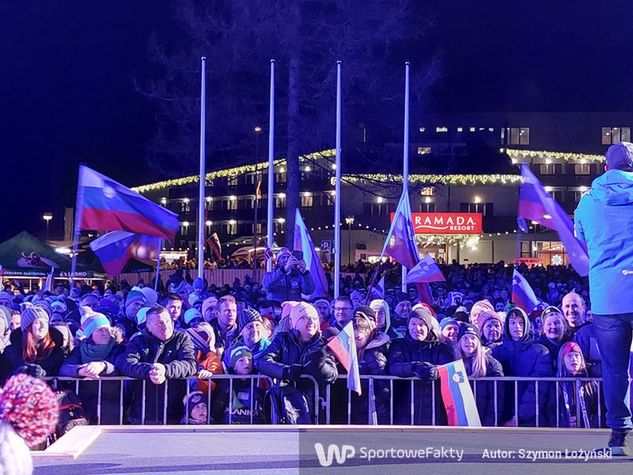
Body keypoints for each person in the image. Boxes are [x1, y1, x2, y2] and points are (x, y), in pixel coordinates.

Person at [574, 141, 633, 455]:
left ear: (605, 168)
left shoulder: (587, 202)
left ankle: (617, 437)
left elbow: (580, 241)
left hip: (608, 299)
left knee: (614, 370)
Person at [255, 302, 338, 424]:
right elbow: (261, 361)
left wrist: (320, 365)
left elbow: (332, 374)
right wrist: (285, 371)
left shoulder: (323, 345)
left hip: (315, 405)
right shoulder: (282, 340)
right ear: (294, 322)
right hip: (285, 404)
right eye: (304, 318)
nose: (311, 322)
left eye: (314, 318)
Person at [116, 304, 197, 424]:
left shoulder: (182, 339)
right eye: (159, 324)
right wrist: (150, 370)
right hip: (142, 413)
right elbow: (127, 363)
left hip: (174, 412)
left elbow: (190, 364)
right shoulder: (138, 341)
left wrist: (166, 370)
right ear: (149, 327)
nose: (165, 327)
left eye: (168, 321)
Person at [387, 306, 454, 425]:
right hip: (406, 407)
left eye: (422, 324)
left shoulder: (441, 348)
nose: (417, 328)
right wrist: (414, 368)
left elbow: (449, 368)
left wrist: (436, 371)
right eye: (413, 324)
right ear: (408, 326)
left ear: (428, 327)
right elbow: (394, 367)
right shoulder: (398, 344)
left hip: (434, 409)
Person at [59, 309, 126, 424]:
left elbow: (121, 367)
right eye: (99, 330)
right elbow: (64, 368)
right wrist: (80, 370)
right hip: (84, 401)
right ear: (90, 334)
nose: (105, 333)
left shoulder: (119, 348)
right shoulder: (80, 350)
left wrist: (103, 366)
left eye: (107, 329)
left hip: (112, 402)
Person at [492, 307, 554, 427]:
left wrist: (519, 417)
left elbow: (538, 389)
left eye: (521, 323)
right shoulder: (497, 352)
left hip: (531, 419)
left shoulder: (540, 352)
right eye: (513, 323)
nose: (517, 327)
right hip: (502, 417)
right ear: (507, 326)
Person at [0, 305, 65, 384]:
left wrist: (43, 374)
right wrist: (19, 372)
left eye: (45, 322)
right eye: (37, 323)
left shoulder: (56, 351)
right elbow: (2, 376)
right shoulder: (11, 351)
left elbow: (62, 377)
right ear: (28, 327)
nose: (42, 326)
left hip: (46, 394)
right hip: (18, 393)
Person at [455, 323, 504, 426]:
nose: (469, 342)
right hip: (461, 420)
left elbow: (496, 400)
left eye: (473, 338)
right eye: (465, 338)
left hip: (484, 419)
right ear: (459, 342)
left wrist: (489, 424)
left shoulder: (491, 365)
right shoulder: (454, 364)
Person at [556, 341, 600, 428]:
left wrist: (593, 424)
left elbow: (597, 408)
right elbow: (551, 409)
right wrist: (563, 422)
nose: (574, 359)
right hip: (563, 433)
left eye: (577, 355)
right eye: (569, 356)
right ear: (562, 361)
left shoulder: (591, 382)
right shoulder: (557, 383)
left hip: (589, 431)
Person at [536, 306, 572, 371]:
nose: (553, 326)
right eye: (549, 324)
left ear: (565, 326)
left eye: (557, 323)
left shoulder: (572, 345)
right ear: (543, 329)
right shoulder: (537, 349)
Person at [210, 296, 240, 360]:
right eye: (227, 310)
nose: (231, 314)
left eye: (234, 311)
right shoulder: (209, 332)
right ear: (217, 313)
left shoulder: (242, 333)